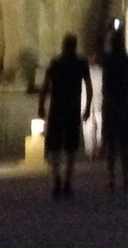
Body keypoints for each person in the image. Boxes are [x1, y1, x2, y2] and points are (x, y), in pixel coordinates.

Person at [39, 33, 92, 198]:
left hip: (57, 108)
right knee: (70, 148)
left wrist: (41, 105)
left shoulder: (56, 63)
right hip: (72, 108)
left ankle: (57, 180)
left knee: (55, 148)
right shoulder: (80, 63)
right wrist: (87, 107)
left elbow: (46, 86)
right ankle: (67, 181)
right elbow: (89, 87)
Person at [101, 23, 128, 191]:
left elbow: (101, 53)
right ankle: (125, 178)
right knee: (124, 144)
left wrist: (107, 34)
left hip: (110, 103)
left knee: (111, 144)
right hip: (123, 103)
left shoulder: (107, 61)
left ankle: (111, 178)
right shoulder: (126, 60)